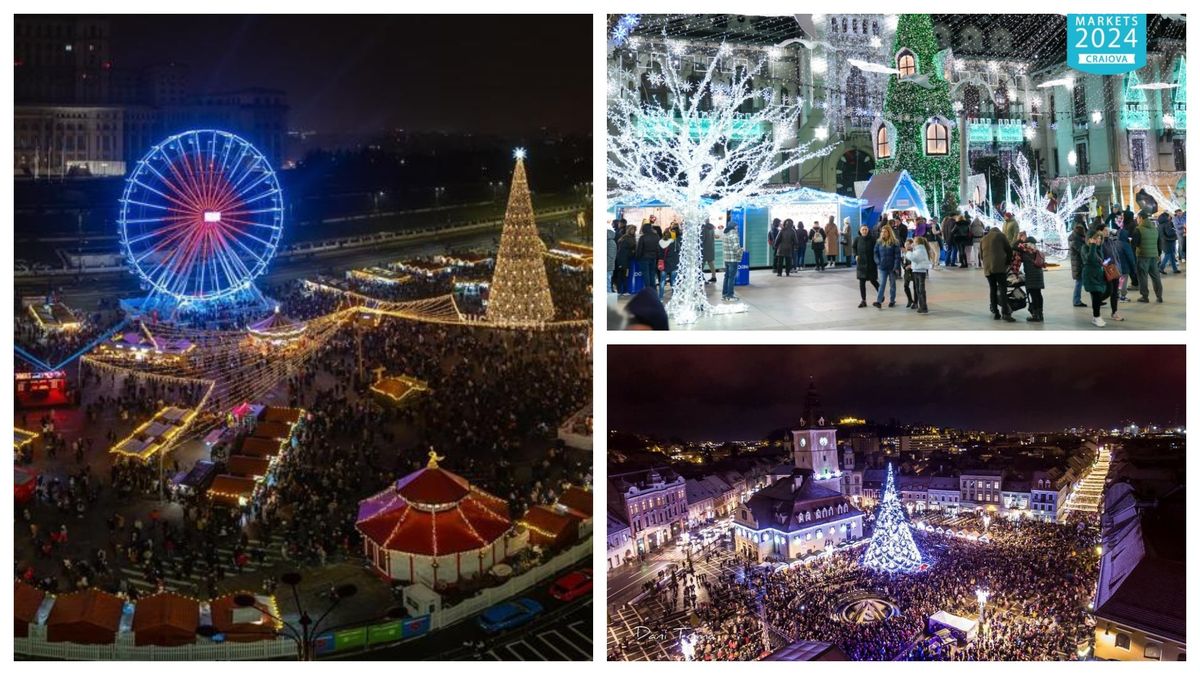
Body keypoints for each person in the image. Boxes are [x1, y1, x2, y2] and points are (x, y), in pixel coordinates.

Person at [980, 224, 1016, 322]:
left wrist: (987, 264)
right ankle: (1005, 313)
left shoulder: (983, 238)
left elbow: (981, 256)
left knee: (993, 289)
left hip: (988, 269)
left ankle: (996, 312)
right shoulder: (1001, 236)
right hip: (1000, 268)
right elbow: (1009, 250)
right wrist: (1008, 263)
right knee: (1003, 289)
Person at [1131, 213, 1164, 303]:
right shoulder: (1155, 229)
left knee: (1143, 277)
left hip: (1143, 256)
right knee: (1156, 276)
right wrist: (1158, 254)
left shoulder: (1138, 229)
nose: (1137, 220)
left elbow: (1134, 244)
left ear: (1141, 218)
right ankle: (1159, 296)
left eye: (1137, 218)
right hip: (1154, 256)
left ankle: (1144, 296)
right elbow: (1159, 243)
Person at [1081, 229, 1111, 327]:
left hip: (1099, 275)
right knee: (1097, 296)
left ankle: (1096, 316)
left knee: (1106, 292)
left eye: (1100, 238)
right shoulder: (1085, 248)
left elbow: (1099, 260)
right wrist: (1092, 245)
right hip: (1090, 276)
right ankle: (1096, 317)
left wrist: (1104, 263)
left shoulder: (1099, 248)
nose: (1098, 240)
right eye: (1096, 238)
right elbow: (1090, 259)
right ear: (1090, 239)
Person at [1016, 233, 1046, 322]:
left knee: (1034, 295)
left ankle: (1035, 315)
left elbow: (1015, 247)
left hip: (1031, 276)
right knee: (1038, 294)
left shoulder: (1026, 252)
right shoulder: (1037, 251)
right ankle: (1040, 314)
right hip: (1039, 275)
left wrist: (1019, 239)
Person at [872, 224, 901, 309]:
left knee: (892, 285)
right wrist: (878, 262)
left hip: (892, 267)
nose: (883, 233)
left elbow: (897, 256)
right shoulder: (879, 242)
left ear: (889, 232)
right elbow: (875, 253)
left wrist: (896, 267)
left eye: (885, 232)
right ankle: (879, 301)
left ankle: (892, 301)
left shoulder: (895, 242)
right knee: (882, 284)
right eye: (882, 232)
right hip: (882, 267)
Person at [1099, 226, 1124, 322]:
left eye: (1107, 230)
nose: (1107, 232)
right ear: (1100, 231)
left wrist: (1118, 266)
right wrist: (1108, 262)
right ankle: (1097, 300)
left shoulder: (1110, 241)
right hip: (1106, 269)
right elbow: (1102, 258)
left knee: (1115, 292)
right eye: (1105, 230)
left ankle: (1114, 312)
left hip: (1114, 269)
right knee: (1109, 291)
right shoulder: (1100, 243)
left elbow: (1115, 255)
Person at [635, 221, 664, 300]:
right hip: (653, 258)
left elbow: (639, 249)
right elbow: (658, 248)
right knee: (652, 274)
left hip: (644, 258)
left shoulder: (643, 237)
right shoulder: (656, 236)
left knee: (646, 275)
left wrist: (637, 257)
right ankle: (653, 292)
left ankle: (647, 292)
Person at [904, 236, 932, 313]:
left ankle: (924, 307)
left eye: (914, 241)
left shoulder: (921, 250)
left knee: (921, 290)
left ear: (917, 242)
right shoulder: (918, 249)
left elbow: (915, 258)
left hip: (920, 272)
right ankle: (921, 306)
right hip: (916, 270)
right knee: (918, 290)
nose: (912, 243)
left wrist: (908, 252)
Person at [853, 225, 878, 308]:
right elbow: (854, 247)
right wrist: (855, 255)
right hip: (861, 264)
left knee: (873, 281)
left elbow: (876, 249)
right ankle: (863, 300)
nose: (864, 231)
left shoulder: (873, 239)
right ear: (860, 231)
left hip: (871, 263)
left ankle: (881, 295)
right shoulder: (857, 239)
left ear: (868, 230)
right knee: (862, 282)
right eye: (863, 229)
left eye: (866, 229)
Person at [1116, 219, 1137, 301]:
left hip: (1116, 266)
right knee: (1123, 281)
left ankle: (1117, 294)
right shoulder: (1125, 245)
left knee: (1119, 281)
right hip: (1124, 266)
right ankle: (1123, 296)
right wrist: (1133, 267)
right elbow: (1130, 257)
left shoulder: (1115, 243)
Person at [721, 221, 742, 302]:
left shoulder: (725, 234)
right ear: (734, 227)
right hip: (733, 259)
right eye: (736, 226)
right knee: (731, 277)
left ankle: (724, 294)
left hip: (726, 259)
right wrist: (741, 250)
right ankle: (730, 295)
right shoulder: (734, 234)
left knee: (726, 276)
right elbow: (736, 248)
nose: (737, 228)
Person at [1068, 222, 1087, 308]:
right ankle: (1076, 300)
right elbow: (1081, 251)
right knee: (1079, 282)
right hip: (1078, 265)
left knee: (1083, 282)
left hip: (1079, 264)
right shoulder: (1076, 240)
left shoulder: (1077, 238)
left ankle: (1097, 298)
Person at [614, 225, 636, 295]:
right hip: (624, 260)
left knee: (622, 275)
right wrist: (632, 252)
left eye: (634, 230)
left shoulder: (624, 238)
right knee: (623, 275)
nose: (633, 231)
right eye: (632, 230)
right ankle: (623, 291)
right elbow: (627, 250)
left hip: (622, 259)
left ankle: (620, 290)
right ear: (629, 230)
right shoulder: (628, 239)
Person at [662, 223, 681, 296]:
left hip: (666, 262)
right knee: (674, 279)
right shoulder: (678, 239)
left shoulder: (664, 242)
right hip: (675, 261)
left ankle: (661, 297)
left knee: (663, 280)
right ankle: (674, 293)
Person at [701, 219, 718, 284]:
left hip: (704, 249)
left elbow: (702, 239)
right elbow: (713, 237)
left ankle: (701, 278)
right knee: (711, 263)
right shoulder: (712, 228)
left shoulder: (703, 228)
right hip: (711, 248)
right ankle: (714, 277)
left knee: (701, 264)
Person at [605, 226, 617, 294]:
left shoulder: (611, 243)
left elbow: (610, 257)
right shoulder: (608, 242)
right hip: (608, 267)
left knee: (607, 285)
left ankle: (609, 299)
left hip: (608, 267)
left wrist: (606, 266)